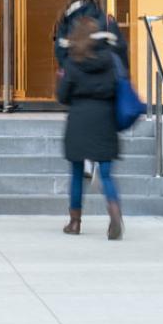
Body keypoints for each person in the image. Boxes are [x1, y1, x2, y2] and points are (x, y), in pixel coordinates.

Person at [56, 15, 125, 240]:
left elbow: (63, 96)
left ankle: (75, 222)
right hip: (104, 119)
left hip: (79, 120)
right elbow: (117, 89)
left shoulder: (72, 62)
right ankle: (114, 212)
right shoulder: (110, 61)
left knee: (77, 173)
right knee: (105, 172)